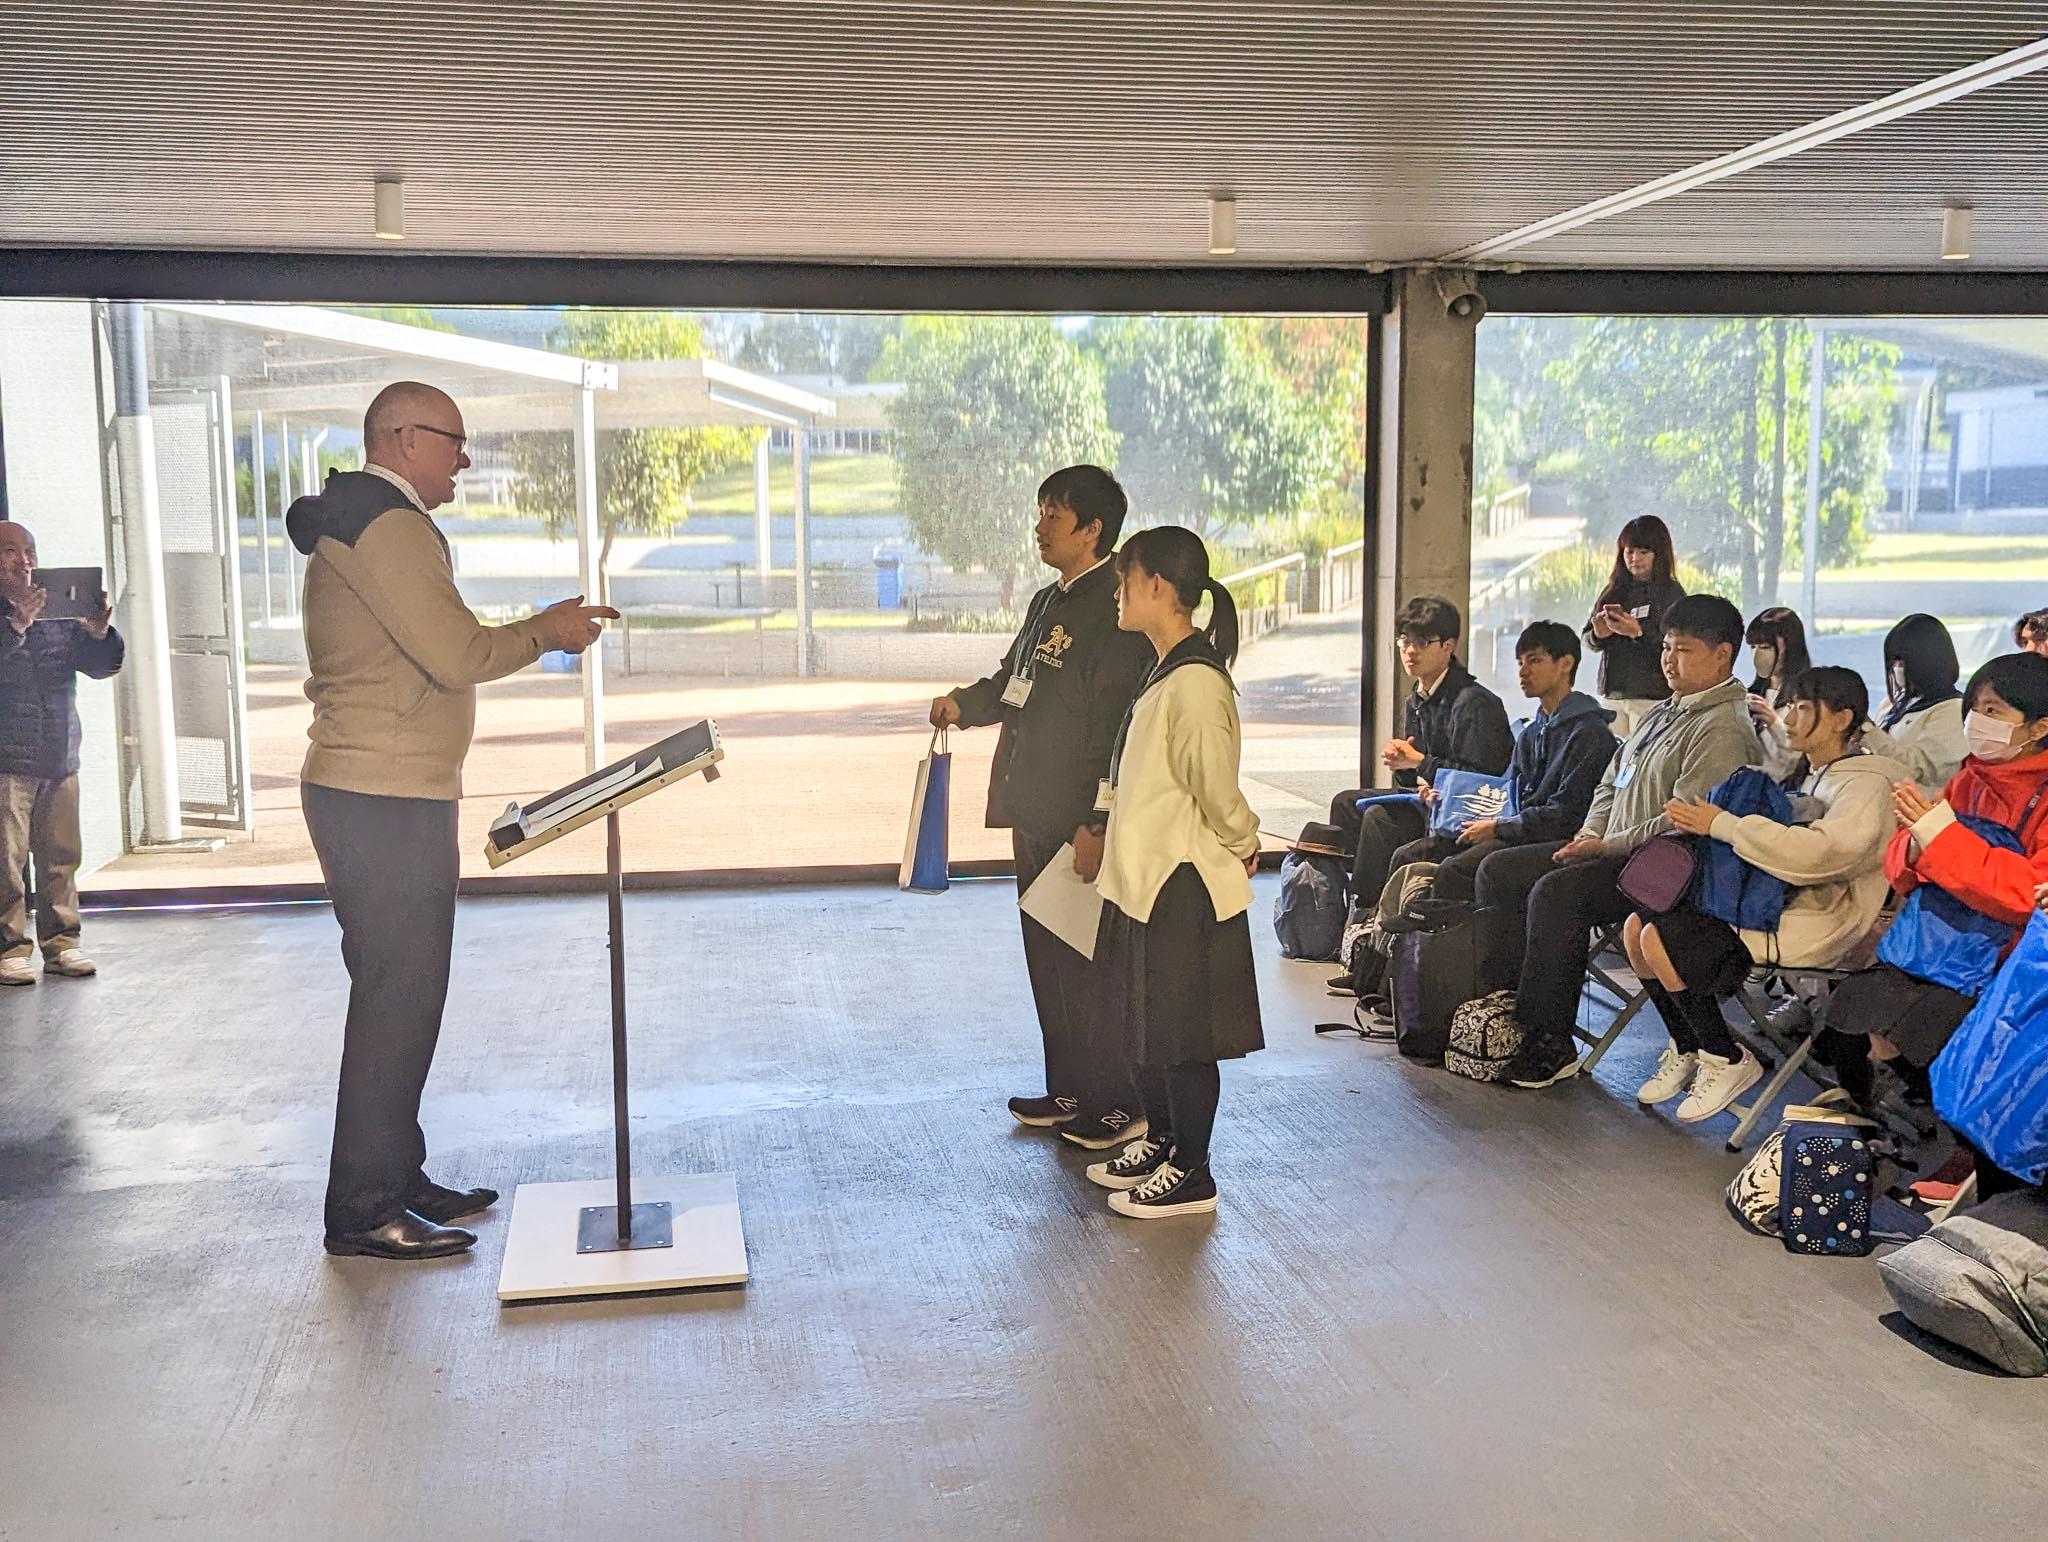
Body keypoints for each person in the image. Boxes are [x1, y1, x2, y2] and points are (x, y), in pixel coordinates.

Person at [292, 381, 617, 1261]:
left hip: (383, 792)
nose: (464, 459)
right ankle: (365, 1209)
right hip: (383, 796)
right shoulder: (388, 523)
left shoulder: (367, 517)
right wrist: (547, 629)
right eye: (453, 440)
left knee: (401, 996)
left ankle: (395, 1176)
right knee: (397, 1001)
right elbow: (458, 652)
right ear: (402, 437)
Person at [932, 465, 1156, 1150]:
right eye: (1041, 512)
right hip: (1032, 806)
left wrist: (1097, 820)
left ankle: (1119, 1102)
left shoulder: (1116, 611)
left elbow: (1116, 727)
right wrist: (963, 704)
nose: (1040, 527)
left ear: (1093, 529)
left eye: (1054, 515)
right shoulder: (1046, 602)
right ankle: (1070, 1089)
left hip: (1076, 818)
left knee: (1093, 963)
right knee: (1050, 959)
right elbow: (1013, 682)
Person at [1474, 594, 1763, 1089]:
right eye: (1666, 647)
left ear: (1723, 655)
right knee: (1501, 870)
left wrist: (1604, 846)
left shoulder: (1723, 727)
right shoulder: (1665, 711)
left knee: (1557, 894)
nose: (1669, 660)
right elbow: (1611, 781)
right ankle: (1504, 1005)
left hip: (1670, 873)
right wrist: (1591, 833)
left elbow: (1681, 821)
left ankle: (1550, 1041)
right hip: (1615, 851)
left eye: (1684, 650)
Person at [1626, 666, 1908, 1122]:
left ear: (1842, 719)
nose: (1788, 717)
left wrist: (1724, 824)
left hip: (1819, 921)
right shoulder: (1815, 773)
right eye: (1788, 705)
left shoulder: (1866, 784)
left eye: (1803, 707)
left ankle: (1725, 1056)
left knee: (1662, 935)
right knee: (1637, 925)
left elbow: (1824, 854)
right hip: (1777, 905)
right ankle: (1689, 1044)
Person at [1085, 526, 1262, 1218]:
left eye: (1125, 582)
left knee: (1184, 1039)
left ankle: (1193, 1172)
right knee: (1146, 1028)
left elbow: (1215, 786)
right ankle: (1162, 1143)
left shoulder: (1196, 681)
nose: (1118, 595)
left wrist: (1244, 840)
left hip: (1180, 884)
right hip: (1144, 882)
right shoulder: (1166, 669)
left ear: (1157, 586)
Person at [1819, 652, 2048, 1127]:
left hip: (2005, 964)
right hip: (1933, 946)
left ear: (2039, 727)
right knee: (1851, 1010)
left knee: (1925, 1028)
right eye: (1974, 708)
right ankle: (1873, 1120)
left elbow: (2027, 895)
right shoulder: (1969, 779)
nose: (1976, 721)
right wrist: (1917, 847)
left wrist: (1940, 842)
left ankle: (1946, 1132)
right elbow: (1902, 860)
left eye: (1993, 710)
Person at [1384, 619, 1618, 908]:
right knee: (1409, 854)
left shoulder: (1589, 734)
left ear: (1565, 664)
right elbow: (1506, 793)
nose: (1523, 671)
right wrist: (1448, 798)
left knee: (1461, 869)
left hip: (1553, 836)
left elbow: (1567, 813)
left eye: (1535, 660)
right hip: (1518, 827)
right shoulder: (1533, 732)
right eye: (1520, 662)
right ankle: (1390, 929)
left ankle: (1455, 935)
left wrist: (1499, 828)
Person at [1328, 595, 1511, 920]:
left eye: (1422, 642)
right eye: (1405, 640)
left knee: (1379, 816)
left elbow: (1481, 780)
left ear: (1448, 646)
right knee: (1345, 803)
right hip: (1429, 800)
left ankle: (1368, 913)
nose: (1410, 651)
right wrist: (1403, 765)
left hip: (1463, 813)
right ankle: (1339, 905)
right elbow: (1412, 777)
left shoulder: (1474, 702)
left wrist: (1419, 763)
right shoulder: (1417, 697)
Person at [0, 521, 123, 985]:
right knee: (6, 863)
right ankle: (9, 949)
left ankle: (63, 945)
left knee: (60, 858)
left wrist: (99, 633)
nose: (24, 560)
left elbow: (101, 667)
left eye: (29, 550)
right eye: (10, 551)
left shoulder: (59, 608)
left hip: (59, 753)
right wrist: (16, 626)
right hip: (7, 760)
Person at [1582, 515, 1686, 736]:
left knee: (1643, 755)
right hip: (1613, 694)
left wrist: (1638, 633)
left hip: (1652, 695)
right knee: (1613, 754)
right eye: (1629, 552)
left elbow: (1679, 647)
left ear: (1659, 554)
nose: (1635, 559)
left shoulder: (1671, 594)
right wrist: (1599, 635)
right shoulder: (1613, 590)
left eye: (1643, 552)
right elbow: (1587, 639)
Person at [1864, 613, 1966, 790]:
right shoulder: (1892, 703)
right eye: (1893, 660)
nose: (1896, 667)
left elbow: (1918, 768)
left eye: (1902, 661)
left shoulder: (1953, 711)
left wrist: (1867, 730)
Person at [1742, 605, 1813, 781]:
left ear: (1790, 647)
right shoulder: (1751, 694)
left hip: (1779, 790)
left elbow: (1798, 758)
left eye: (1765, 647)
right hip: (1742, 786)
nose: (1757, 654)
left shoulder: (1808, 697)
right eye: (1753, 647)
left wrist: (1774, 722)